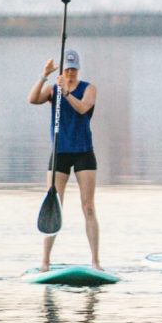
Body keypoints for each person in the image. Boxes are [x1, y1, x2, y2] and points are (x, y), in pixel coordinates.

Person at [27, 47, 101, 272]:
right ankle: (45, 261)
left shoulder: (88, 89)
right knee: (54, 204)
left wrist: (67, 93)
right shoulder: (53, 90)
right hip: (59, 152)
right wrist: (44, 75)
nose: (70, 73)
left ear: (78, 70)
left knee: (88, 207)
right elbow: (32, 99)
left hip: (83, 151)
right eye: (67, 69)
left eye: (73, 70)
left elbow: (82, 109)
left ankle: (95, 261)